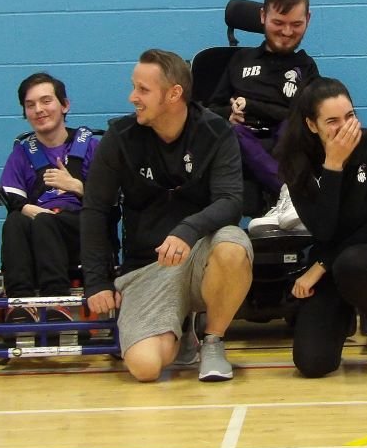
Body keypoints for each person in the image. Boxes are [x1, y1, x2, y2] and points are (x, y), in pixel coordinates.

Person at [81, 49, 253, 382]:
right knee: (145, 369)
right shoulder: (120, 138)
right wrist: (97, 281)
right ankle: (182, 332)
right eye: (134, 87)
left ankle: (213, 341)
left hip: (198, 255)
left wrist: (188, 230)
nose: (133, 97)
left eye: (143, 90)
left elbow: (231, 201)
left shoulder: (215, 132)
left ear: (174, 94)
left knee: (234, 244)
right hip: (147, 267)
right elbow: (95, 210)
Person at [274, 78, 367, 377]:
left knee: (353, 263)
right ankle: (345, 314)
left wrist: (320, 265)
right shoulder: (297, 162)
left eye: (350, 117)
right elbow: (323, 230)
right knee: (312, 364)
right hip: (332, 262)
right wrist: (332, 166)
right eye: (333, 121)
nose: (346, 127)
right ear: (312, 125)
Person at [206, 0, 320, 227]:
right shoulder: (239, 61)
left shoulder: (306, 67)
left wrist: (253, 105)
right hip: (243, 140)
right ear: (262, 16)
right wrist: (229, 113)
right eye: (278, 22)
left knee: (294, 123)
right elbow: (208, 111)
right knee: (231, 132)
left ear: (308, 20)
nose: (287, 32)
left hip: (286, 140)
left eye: (296, 24)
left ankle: (285, 197)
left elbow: (309, 116)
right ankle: (287, 193)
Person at [0, 73, 99, 298]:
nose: (39, 110)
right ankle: (19, 301)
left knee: (44, 222)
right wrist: (27, 209)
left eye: (46, 101)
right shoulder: (22, 153)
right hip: (38, 221)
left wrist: (76, 186)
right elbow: (12, 197)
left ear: (64, 105)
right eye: (30, 105)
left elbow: (111, 197)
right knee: (15, 220)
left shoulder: (92, 147)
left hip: (80, 226)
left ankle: (55, 298)